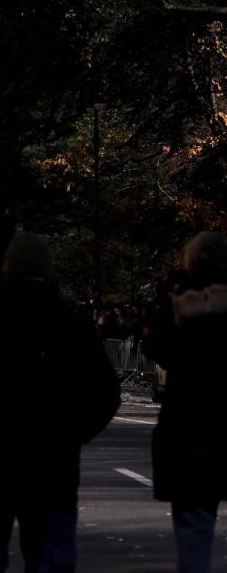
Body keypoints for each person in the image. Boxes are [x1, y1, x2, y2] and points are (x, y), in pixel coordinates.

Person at [0, 232, 119, 573]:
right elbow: (104, 393)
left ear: (6, 270)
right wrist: (71, 434)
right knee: (50, 559)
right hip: (51, 465)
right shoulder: (68, 324)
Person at [143, 231, 227, 573]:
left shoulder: (182, 309)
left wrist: (171, 304)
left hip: (190, 425)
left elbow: (156, 348)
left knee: (194, 528)